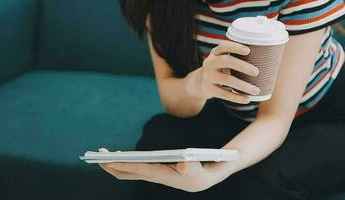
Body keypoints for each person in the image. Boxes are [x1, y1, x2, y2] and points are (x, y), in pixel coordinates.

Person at [100, 1, 345, 199]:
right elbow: (173, 103)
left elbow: (274, 119)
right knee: (159, 141)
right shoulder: (161, 5)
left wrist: (212, 174)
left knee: (261, 182)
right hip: (237, 113)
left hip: (327, 114)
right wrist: (198, 84)